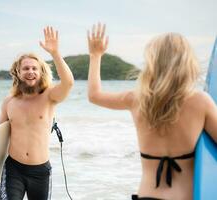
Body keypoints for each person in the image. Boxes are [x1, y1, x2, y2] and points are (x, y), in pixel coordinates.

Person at [87, 23, 217, 200]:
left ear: (152, 63)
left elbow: (95, 95)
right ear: (188, 62)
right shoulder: (201, 102)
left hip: (147, 196)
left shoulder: (136, 99)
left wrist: (95, 55)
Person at [0, 26, 74, 200]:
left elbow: (68, 83)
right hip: (13, 169)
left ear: (40, 73)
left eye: (34, 68)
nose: (30, 72)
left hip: (40, 172)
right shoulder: (9, 102)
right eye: (25, 68)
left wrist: (55, 53)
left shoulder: (50, 96)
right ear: (18, 72)